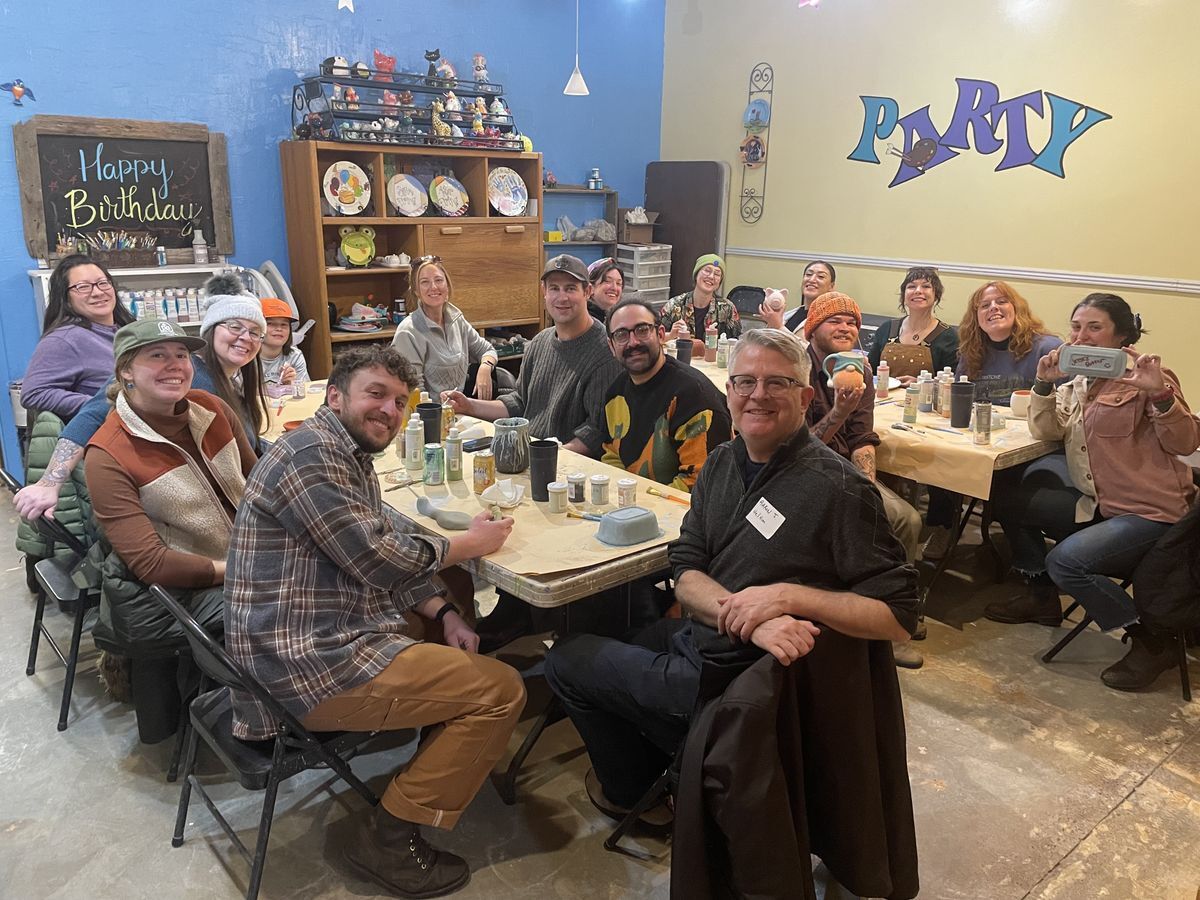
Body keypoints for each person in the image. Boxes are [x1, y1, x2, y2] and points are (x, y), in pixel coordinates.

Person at [544, 328, 919, 880]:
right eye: (745, 381)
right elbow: (686, 565)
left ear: (806, 396)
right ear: (729, 393)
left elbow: (898, 617)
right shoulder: (722, 463)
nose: (757, 395)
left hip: (741, 683)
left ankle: (639, 794)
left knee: (565, 659)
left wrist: (788, 598)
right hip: (714, 638)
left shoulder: (837, 487)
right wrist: (740, 616)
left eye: (777, 383)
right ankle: (679, 768)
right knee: (615, 635)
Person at [225, 346, 524, 898]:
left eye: (400, 401)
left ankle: (438, 766)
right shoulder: (309, 457)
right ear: (335, 396)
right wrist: (466, 544)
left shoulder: (340, 453)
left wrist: (446, 612)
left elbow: (381, 546)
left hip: (308, 637)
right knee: (503, 690)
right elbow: (375, 558)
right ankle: (388, 837)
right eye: (376, 394)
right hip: (303, 665)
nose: (389, 409)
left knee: (452, 616)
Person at [986, 295, 1199, 691]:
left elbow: (1185, 443)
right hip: (1100, 503)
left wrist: (1160, 394)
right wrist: (1043, 384)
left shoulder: (1151, 378)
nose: (1082, 336)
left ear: (1121, 336)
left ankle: (1152, 638)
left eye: (1094, 328)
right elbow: (1048, 432)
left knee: (1066, 561)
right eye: (1076, 327)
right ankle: (1041, 598)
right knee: (1008, 496)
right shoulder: (1080, 383)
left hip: (1151, 511)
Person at [85, 319, 258, 741]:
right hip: (186, 588)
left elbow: (259, 489)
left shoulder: (211, 409)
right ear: (126, 370)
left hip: (245, 558)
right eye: (156, 355)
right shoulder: (108, 453)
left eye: (181, 354)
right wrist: (237, 568)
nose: (174, 365)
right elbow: (151, 563)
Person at [13, 276, 270, 521]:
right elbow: (92, 414)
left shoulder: (230, 381)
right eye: (234, 326)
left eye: (255, 332)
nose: (245, 338)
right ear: (211, 329)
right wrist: (49, 483)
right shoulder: (182, 378)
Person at [802, 292, 927, 668]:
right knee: (871, 521)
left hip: (843, 469)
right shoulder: (796, 368)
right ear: (813, 329)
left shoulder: (860, 370)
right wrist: (839, 410)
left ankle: (895, 615)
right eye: (834, 321)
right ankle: (871, 621)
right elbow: (796, 447)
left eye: (852, 322)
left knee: (904, 517)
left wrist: (867, 486)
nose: (845, 328)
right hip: (800, 471)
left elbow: (862, 437)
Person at [443, 254, 620, 446]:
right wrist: (469, 405)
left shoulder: (605, 351)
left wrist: (549, 456)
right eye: (554, 288)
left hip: (569, 465)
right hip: (530, 451)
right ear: (544, 291)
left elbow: (597, 431)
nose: (562, 297)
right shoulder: (539, 342)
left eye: (570, 288)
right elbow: (519, 402)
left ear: (587, 291)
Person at [579, 298, 731, 491]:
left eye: (642, 330)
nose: (633, 342)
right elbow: (612, 455)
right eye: (621, 335)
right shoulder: (616, 393)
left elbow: (700, 483)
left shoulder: (693, 397)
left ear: (660, 334)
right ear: (611, 346)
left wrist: (643, 504)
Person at [21, 254, 135, 420]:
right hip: (111, 433)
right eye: (83, 287)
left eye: (103, 283)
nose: (97, 292)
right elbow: (34, 393)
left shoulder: (127, 329)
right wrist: (101, 406)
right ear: (65, 298)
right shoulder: (63, 340)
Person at [391, 256, 500, 400]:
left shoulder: (456, 319)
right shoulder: (408, 331)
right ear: (417, 291)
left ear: (447, 285)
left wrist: (485, 367)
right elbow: (414, 393)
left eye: (438, 280)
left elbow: (487, 350)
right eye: (425, 282)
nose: (434, 287)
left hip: (461, 408)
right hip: (431, 415)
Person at [956, 280, 1062, 404]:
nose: (993, 307)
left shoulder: (1047, 349)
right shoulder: (971, 352)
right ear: (976, 319)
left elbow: (1067, 404)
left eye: (1002, 302)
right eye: (985, 305)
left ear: (1017, 309)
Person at [866, 266, 959, 383]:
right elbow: (870, 372)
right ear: (904, 295)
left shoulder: (948, 336)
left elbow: (954, 381)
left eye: (926, 286)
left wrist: (921, 384)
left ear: (936, 295)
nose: (918, 291)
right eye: (911, 286)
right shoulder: (887, 328)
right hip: (882, 398)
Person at [659, 253, 742, 341]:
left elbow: (739, 342)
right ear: (696, 275)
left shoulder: (727, 308)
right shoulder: (674, 305)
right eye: (707, 271)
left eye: (717, 274)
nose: (711, 276)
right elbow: (655, 337)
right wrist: (671, 335)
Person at [757, 259, 836, 333]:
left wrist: (778, 326)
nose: (812, 280)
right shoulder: (791, 314)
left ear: (831, 286)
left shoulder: (831, 319)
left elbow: (808, 347)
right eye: (808, 274)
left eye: (821, 276)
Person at [259, 297, 310, 387]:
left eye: (284, 324)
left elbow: (304, 392)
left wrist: (291, 385)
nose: (279, 329)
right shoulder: (245, 356)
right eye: (270, 323)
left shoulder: (295, 356)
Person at [586, 257, 624, 322]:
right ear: (590, 288)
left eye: (618, 283)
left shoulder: (618, 318)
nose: (614, 288)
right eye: (607, 281)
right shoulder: (584, 321)